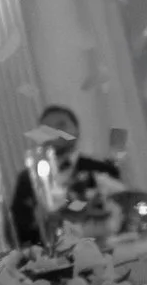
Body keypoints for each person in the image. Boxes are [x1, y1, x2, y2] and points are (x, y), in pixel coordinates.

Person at [9, 105, 128, 249]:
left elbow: (122, 215)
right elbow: (17, 228)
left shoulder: (102, 169)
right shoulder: (27, 179)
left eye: (61, 124)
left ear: (76, 130)